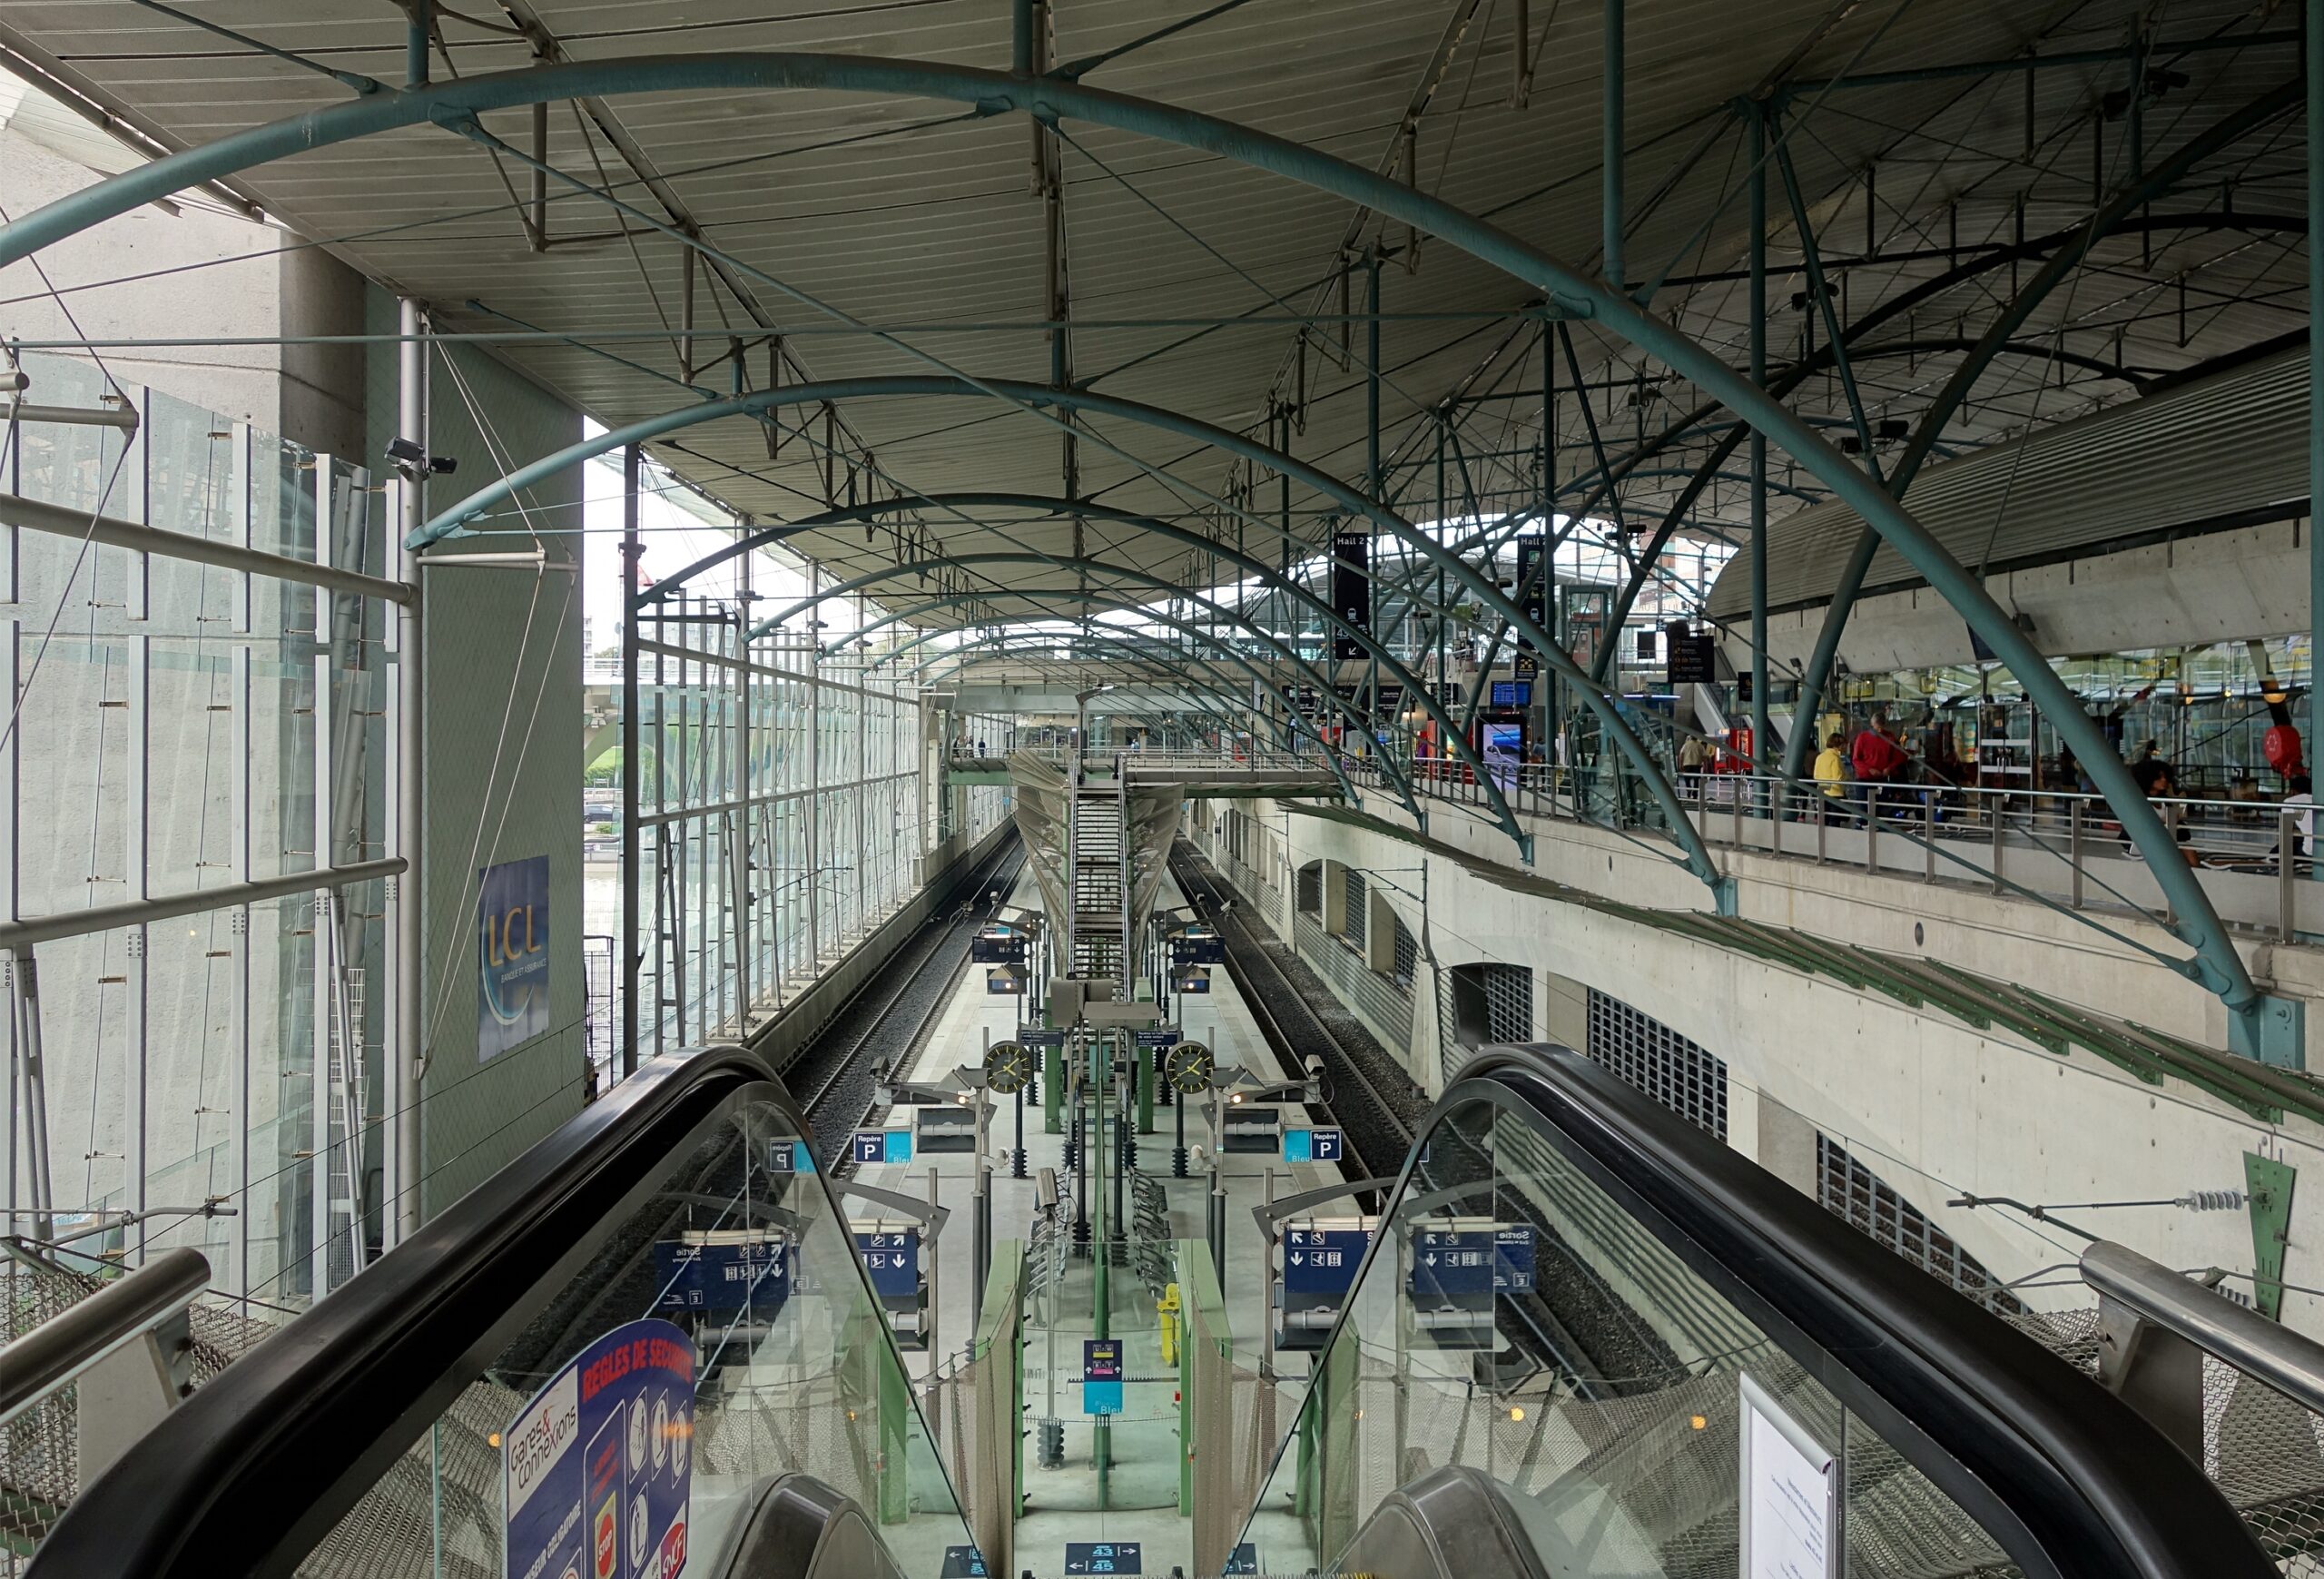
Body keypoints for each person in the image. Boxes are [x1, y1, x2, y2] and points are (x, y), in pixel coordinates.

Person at [2286, 775, 2316, 864]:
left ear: (2292, 791)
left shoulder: (2290, 801)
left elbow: (2286, 829)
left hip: (2310, 852)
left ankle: (2272, 861)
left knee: (2283, 847)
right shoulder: (2317, 799)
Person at [1813, 730, 1847, 804]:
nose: (1846, 747)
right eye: (1844, 745)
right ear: (1839, 745)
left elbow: (1816, 775)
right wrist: (1847, 777)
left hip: (1823, 791)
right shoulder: (1835, 758)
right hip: (1836, 793)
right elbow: (1838, 778)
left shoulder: (1820, 757)